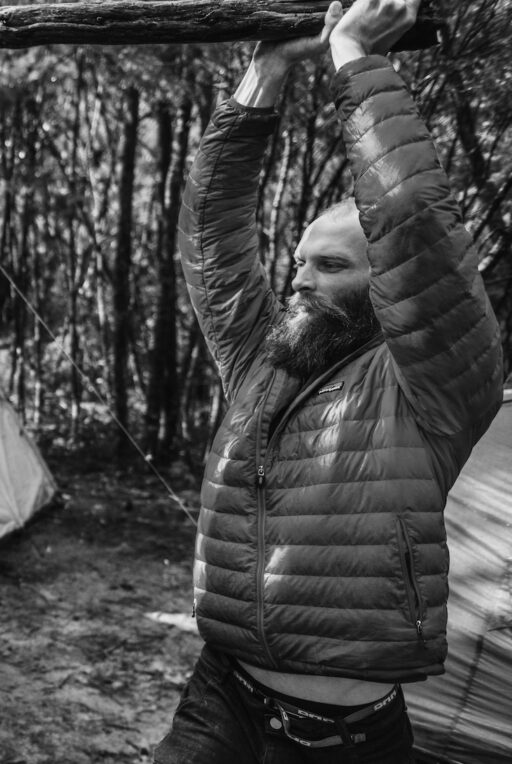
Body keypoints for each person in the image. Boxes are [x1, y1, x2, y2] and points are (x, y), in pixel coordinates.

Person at [155, 1, 504, 761]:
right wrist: (267, 69)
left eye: (331, 265)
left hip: (342, 741)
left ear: (390, 286)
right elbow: (212, 237)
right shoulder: (265, 359)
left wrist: (356, 56)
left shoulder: (432, 386)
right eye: (299, 261)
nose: (299, 279)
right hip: (219, 699)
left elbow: (411, 216)